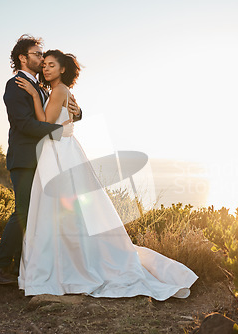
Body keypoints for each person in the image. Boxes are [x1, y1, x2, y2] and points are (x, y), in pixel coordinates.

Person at [15, 49, 198, 300]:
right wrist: (56, 104)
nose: (46, 69)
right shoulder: (57, 90)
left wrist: (34, 96)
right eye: (44, 65)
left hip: (58, 151)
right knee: (65, 211)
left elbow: (46, 120)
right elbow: (62, 118)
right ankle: (68, 262)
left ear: (63, 69)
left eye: (51, 65)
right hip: (57, 149)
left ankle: (66, 266)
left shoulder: (58, 90)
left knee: (57, 209)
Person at [0, 35, 81, 285]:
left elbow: (58, 112)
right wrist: (57, 131)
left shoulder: (41, 87)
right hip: (25, 158)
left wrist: (77, 111)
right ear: (23, 57)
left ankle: (24, 266)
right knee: (23, 212)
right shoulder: (15, 84)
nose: (42, 59)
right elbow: (24, 124)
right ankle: (0, 268)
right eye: (38, 54)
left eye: (43, 56)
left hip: (43, 158)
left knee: (34, 213)